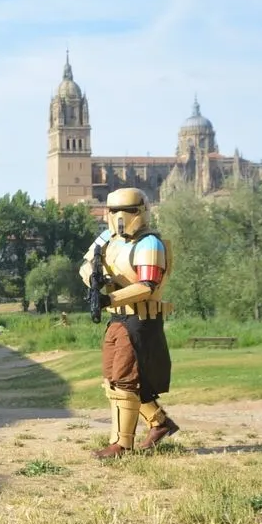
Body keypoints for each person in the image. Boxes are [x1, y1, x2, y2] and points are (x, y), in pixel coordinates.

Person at [79, 187, 180, 459]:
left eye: (130, 210)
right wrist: (93, 280)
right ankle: (159, 423)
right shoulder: (108, 238)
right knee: (113, 378)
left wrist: (106, 298)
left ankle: (121, 444)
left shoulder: (149, 243)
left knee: (124, 379)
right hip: (119, 316)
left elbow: (147, 285)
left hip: (140, 317)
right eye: (114, 211)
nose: (121, 217)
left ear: (142, 211)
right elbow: (86, 263)